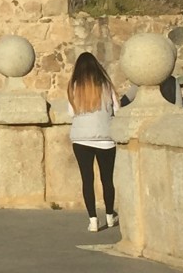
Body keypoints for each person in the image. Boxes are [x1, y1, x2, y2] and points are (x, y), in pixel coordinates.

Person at [67, 52, 119, 232]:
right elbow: (116, 109)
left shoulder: (74, 87)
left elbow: (71, 112)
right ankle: (110, 215)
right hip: (106, 138)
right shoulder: (106, 85)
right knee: (107, 179)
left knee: (87, 180)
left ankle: (93, 220)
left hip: (81, 139)